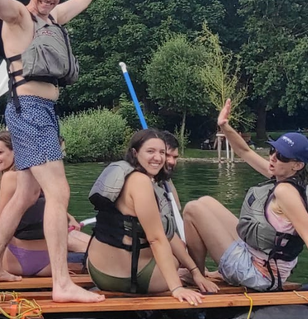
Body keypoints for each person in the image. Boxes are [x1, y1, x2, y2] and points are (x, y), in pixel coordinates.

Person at [0, 0, 111, 303]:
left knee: (25, 194)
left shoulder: (54, 20)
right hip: (28, 109)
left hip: (42, 110)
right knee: (59, 190)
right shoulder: (19, 16)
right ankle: (62, 283)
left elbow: (81, 1)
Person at [182, 100, 308, 296]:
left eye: (282, 157)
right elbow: (244, 151)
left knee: (193, 209)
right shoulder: (283, 177)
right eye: (273, 151)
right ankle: (203, 272)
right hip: (257, 261)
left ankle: (196, 275)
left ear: (297, 166)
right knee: (206, 202)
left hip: (258, 274)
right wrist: (224, 125)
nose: (273, 158)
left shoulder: (285, 192)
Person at [85, 129, 213, 303]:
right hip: (129, 279)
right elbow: (158, 239)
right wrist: (177, 288)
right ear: (135, 152)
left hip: (97, 272)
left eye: (162, 152)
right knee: (174, 257)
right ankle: (183, 278)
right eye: (150, 151)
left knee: (166, 247)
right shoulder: (140, 182)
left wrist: (195, 271)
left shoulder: (121, 173)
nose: (158, 158)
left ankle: (191, 274)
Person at [0, 131, 89, 276]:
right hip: (49, 266)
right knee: (75, 239)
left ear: (16, 152)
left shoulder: (10, 177)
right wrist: (69, 216)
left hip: (17, 261)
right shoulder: (42, 175)